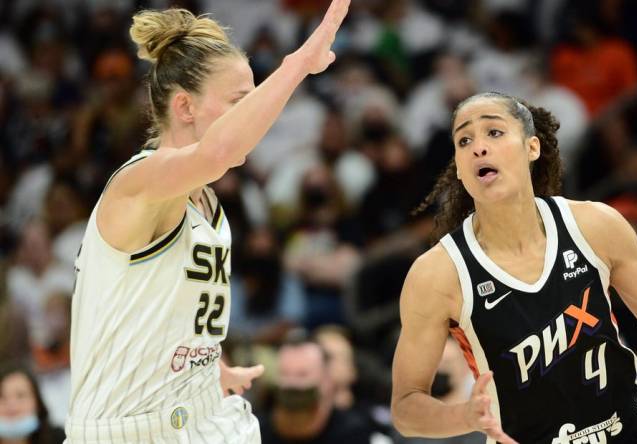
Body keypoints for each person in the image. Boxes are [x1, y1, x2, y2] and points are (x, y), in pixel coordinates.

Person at [390, 92, 637, 444]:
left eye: (493, 132)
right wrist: (463, 415)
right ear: (459, 169)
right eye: (464, 140)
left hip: (627, 432)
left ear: (532, 147)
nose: (478, 146)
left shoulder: (595, 226)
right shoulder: (438, 274)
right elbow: (406, 407)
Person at [65, 2, 350, 443]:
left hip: (203, 417)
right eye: (242, 101)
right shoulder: (139, 182)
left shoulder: (210, 204)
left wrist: (209, 366)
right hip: (125, 431)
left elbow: (166, 309)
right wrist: (297, 66)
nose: (257, 115)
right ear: (185, 107)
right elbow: (216, 153)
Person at [258, 338, 378, 444]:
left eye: (302, 375)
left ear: (327, 380)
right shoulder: (257, 430)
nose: (292, 383)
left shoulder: (352, 432)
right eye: (284, 374)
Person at [0, 362, 65, 444]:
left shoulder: (62, 439)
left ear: (37, 403)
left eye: (20, 396)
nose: (12, 405)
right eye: (1, 396)